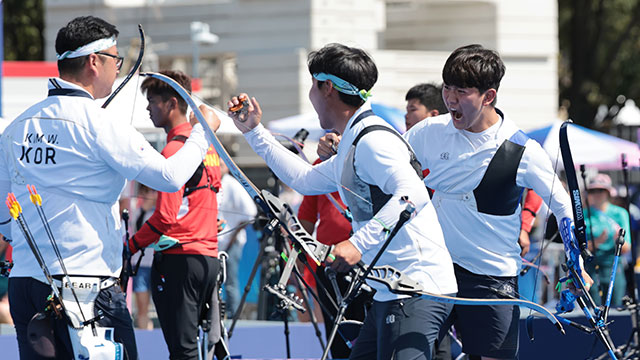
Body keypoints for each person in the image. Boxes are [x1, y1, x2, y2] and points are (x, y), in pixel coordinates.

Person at [0, 16, 219, 360]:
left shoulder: (18, 125)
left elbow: (3, 214)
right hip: (85, 286)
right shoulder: (99, 123)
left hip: (26, 282)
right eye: (116, 60)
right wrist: (203, 131)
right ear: (94, 61)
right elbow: (170, 176)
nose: (118, 69)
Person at [228, 43, 457, 360]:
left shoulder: (372, 141)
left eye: (312, 86)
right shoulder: (354, 138)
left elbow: (412, 194)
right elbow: (307, 181)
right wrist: (254, 132)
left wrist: (357, 244)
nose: (311, 95)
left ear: (327, 87)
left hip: (416, 289)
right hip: (391, 291)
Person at [403, 44, 592, 360]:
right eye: (446, 87)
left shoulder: (521, 150)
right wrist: (340, 153)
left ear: (488, 96)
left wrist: (576, 260)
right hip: (432, 270)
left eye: (461, 91)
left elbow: (563, 204)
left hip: (491, 277)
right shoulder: (427, 132)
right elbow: (382, 162)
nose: (449, 98)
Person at [128, 69, 222, 359]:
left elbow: (166, 217)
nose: (147, 108)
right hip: (208, 260)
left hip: (180, 261)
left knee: (183, 351)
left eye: (152, 100)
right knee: (198, 348)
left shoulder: (172, 150)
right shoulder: (207, 148)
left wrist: (129, 246)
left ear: (171, 103)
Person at [217, 161, 257, 318]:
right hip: (218, 243)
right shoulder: (214, 183)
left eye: (221, 165)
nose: (218, 168)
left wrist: (232, 237)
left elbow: (250, 213)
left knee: (230, 282)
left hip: (231, 244)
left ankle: (234, 317)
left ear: (227, 167)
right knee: (218, 282)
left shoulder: (231, 185)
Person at [585, 173, 631, 306]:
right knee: (593, 308)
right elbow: (578, 249)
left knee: (616, 307)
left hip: (614, 266)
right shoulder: (583, 214)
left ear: (608, 192)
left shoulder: (620, 213)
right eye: (592, 190)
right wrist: (597, 242)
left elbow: (627, 248)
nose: (597, 194)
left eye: (601, 190)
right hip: (591, 267)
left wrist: (618, 240)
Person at [131, 183, 157, 330]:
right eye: (144, 191)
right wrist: (143, 210)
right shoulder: (136, 211)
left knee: (162, 307)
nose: (148, 195)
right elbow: (138, 231)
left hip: (156, 264)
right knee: (142, 308)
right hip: (140, 265)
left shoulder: (161, 212)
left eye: (152, 191)